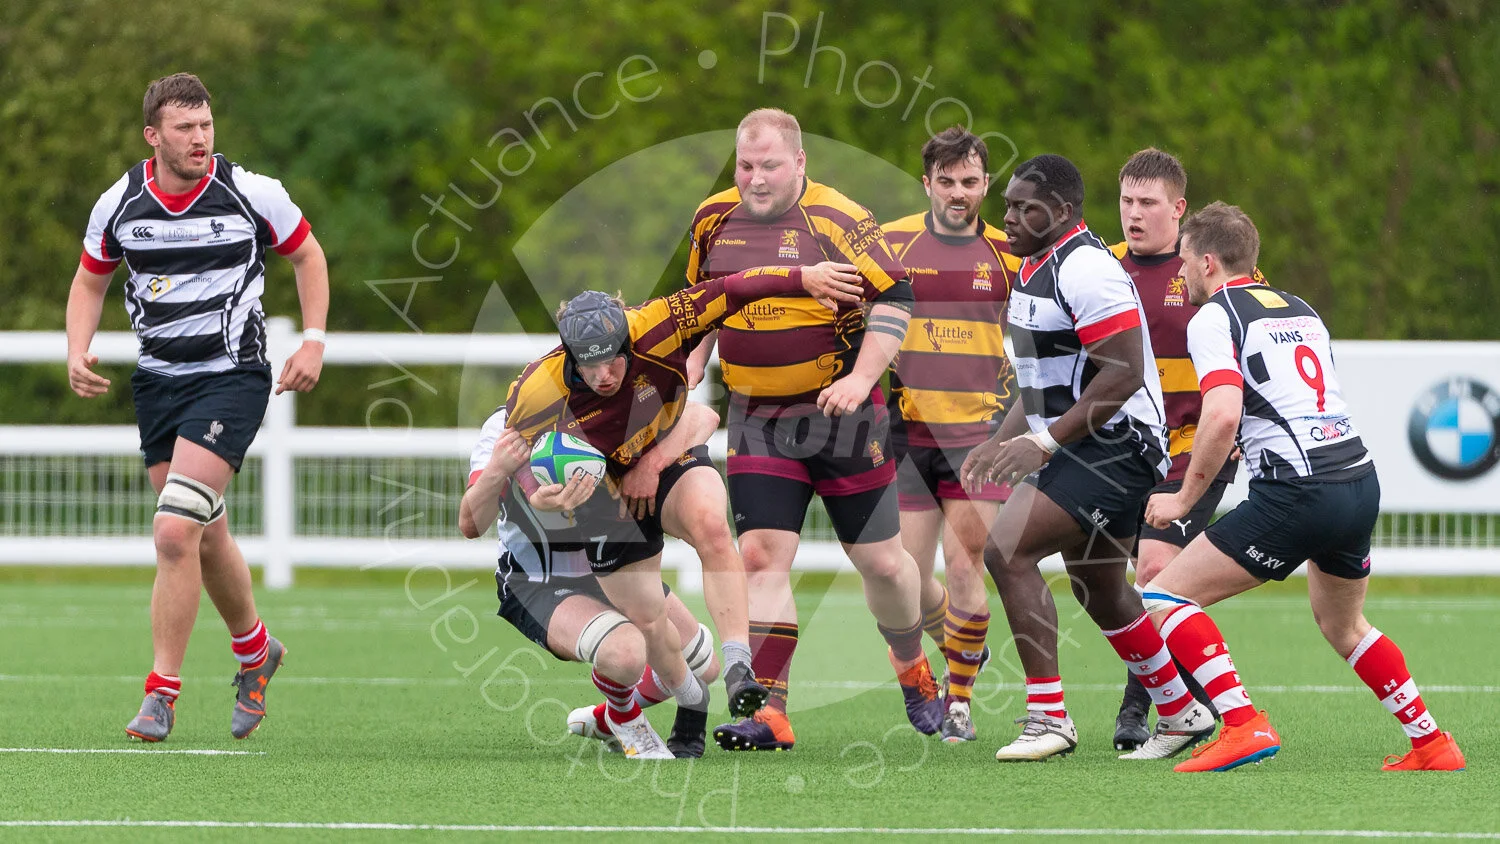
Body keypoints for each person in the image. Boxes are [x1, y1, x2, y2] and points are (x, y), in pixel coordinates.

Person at [1140, 202, 1466, 773]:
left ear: (1210, 262)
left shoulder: (1214, 317)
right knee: (1344, 625)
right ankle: (1432, 743)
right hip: (1358, 482)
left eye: (1185, 262)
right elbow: (1291, 400)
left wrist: (1183, 499)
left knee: (1165, 597)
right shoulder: (1302, 309)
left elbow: (1219, 414)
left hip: (1299, 491)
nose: (1180, 274)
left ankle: (1242, 725)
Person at [504, 263, 866, 752]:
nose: (604, 375)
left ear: (626, 339)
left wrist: (804, 278)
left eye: (613, 359)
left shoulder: (658, 323)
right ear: (568, 354)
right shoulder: (537, 389)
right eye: (590, 366)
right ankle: (692, 702)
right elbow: (516, 452)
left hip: (667, 453)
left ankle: (740, 665)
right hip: (607, 499)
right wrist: (535, 494)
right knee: (650, 618)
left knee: (712, 527)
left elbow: (733, 289)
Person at [65, 73, 328, 742]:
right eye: (185, 128)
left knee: (174, 529)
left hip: (232, 376)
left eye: (206, 124)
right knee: (203, 532)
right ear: (153, 136)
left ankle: (160, 694)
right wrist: (78, 349)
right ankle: (256, 650)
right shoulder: (120, 203)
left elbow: (308, 257)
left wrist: (316, 341)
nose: (200, 137)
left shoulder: (250, 192)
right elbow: (89, 281)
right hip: (158, 383)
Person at [683, 108, 941, 752]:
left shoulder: (840, 220)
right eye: (746, 165)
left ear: (800, 163)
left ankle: (911, 664)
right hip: (759, 419)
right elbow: (700, 311)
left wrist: (859, 379)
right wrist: (682, 387)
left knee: (883, 564)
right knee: (761, 556)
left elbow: (896, 297)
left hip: (844, 419)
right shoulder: (712, 219)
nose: (756, 179)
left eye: (770, 165)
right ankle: (770, 711)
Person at [960, 154, 1214, 762]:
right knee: (1098, 584)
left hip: (1120, 443)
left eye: (1028, 207)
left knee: (1006, 548)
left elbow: (1122, 374)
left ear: (1065, 211)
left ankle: (1049, 717)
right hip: (1088, 441)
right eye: (1009, 206)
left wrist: (1042, 443)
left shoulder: (1087, 270)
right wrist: (1004, 436)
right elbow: (1041, 382)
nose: (1011, 217)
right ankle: (1180, 710)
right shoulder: (1031, 267)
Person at [460, 402, 725, 759]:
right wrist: (498, 469)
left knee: (704, 665)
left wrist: (651, 464)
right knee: (627, 652)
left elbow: (704, 416)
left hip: (615, 569)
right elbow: (470, 524)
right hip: (540, 581)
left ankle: (605, 717)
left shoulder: (620, 406)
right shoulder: (507, 424)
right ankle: (625, 718)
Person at [880, 127, 1019, 743]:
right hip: (908, 431)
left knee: (966, 566)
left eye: (970, 182)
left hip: (979, 437)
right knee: (904, 576)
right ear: (927, 184)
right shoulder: (890, 244)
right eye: (947, 181)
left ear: (986, 184)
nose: (958, 193)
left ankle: (957, 701)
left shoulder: (1010, 254)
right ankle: (959, 650)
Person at [1107, 149, 1234, 754]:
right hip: (1122, 451)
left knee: (1155, 570)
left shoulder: (1206, 275)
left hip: (1190, 449)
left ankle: (1150, 707)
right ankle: (1193, 687)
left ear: (1179, 209)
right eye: (1127, 202)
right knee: (1099, 583)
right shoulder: (1101, 268)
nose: (1134, 214)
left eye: (1148, 203)